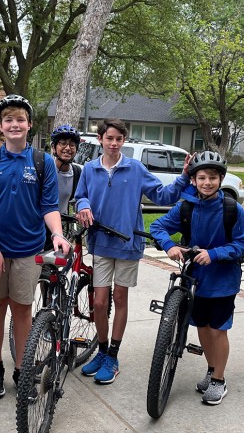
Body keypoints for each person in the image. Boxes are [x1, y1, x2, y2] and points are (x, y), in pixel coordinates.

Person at [74, 118, 191, 385]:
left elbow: (162, 196)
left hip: (128, 244)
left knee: (120, 297)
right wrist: (83, 205)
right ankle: (101, 351)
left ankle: (113, 356)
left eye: (119, 139)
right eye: (109, 138)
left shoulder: (135, 168)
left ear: (124, 141)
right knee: (100, 302)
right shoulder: (90, 169)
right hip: (101, 243)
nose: (114, 143)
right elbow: (81, 195)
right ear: (100, 140)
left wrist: (184, 178)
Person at [0, 94, 70, 398]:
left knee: (23, 310)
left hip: (29, 250)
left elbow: (49, 206)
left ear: (29, 125)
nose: (15, 124)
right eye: (8, 120)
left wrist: (57, 233)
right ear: (0, 126)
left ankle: (23, 369)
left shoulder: (42, 162)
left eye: (20, 120)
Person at [150, 151, 244, 405]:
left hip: (223, 280)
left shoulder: (232, 209)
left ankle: (219, 379)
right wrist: (169, 246)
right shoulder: (186, 206)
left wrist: (215, 254)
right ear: (193, 180)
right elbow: (157, 226)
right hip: (196, 280)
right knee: (202, 327)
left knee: (218, 330)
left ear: (221, 179)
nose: (207, 182)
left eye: (213, 178)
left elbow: (242, 244)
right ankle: (211, 368)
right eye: (202, 177)